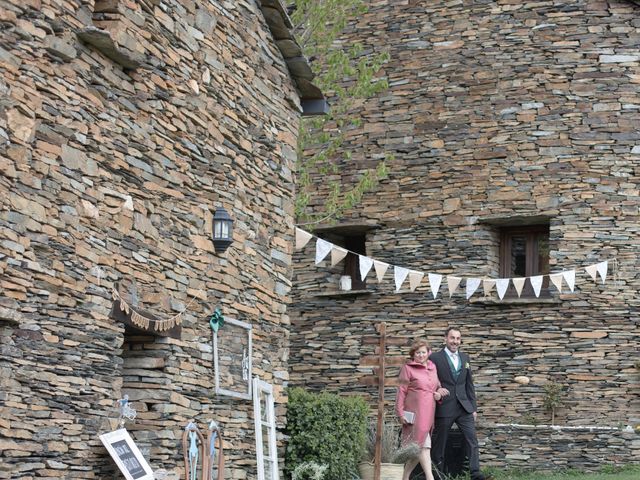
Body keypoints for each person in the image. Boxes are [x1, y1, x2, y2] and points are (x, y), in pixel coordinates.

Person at [429, 327, 487, 480]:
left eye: (458, 338)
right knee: (440, 443)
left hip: (464, 406)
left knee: (472, 440)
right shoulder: (434, 358)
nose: (455, 341)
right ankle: (438, 474)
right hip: (445, 406)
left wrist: (473, 408)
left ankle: (475, 474)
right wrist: (436, 391)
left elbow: (469, 384)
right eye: (452, 338)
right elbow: (429, 380)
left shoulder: (465, 357)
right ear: (445, 338)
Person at [396, 339, 449, 480]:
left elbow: (437, 386)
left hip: (429, 412)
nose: (420, 355)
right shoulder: (407, 368)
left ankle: (405, 476)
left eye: (423, 352)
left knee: (418, 447)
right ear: (413, 354)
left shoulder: (433, 367)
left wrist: (439, 393)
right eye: (417, 353)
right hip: (414, 413)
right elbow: (401, 391)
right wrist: (400, 413)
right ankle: (430, 477)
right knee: (424, 445)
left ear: (428, 353)